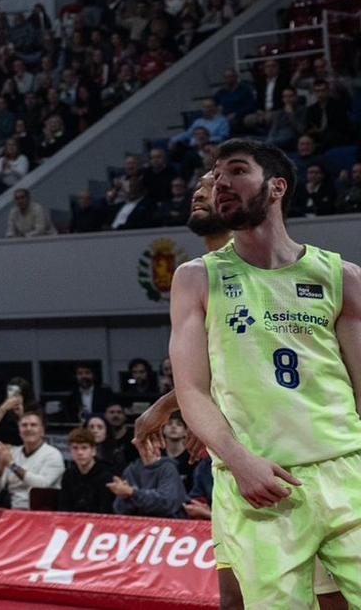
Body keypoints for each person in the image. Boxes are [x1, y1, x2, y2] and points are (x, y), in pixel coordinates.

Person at [136, 168, 345, 610]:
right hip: (234, 464)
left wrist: (171, 407)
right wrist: (203, 416)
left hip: (299, 460)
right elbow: (218, 370)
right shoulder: (199, 276)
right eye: (198, 185)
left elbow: (268, 365)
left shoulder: (275, 269)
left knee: (328, 598)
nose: (200, 192)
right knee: (233, 596)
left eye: (213, 185)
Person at [0, 411, 63, 509]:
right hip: (14, 509)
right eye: (24, 425)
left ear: (42, 431)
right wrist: (0, 468)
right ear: (19, 431)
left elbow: (42, 485)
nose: (28, 429)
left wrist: (12, 465)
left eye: (33, 425)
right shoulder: (13, 453)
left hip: (41, 511)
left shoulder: (53, 454)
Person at [109, 431, 187, 518]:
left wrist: (132, 493)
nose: (148, 446)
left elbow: (166, 503)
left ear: (159, 444)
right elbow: (119, 508)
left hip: (166, 523)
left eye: (151, 441)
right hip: (137, 522)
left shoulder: (168, 468)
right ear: (137, 444)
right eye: (143, 442)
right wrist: (124, 496)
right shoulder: (131, 470)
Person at [60, 427, 116, 514]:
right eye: (75, 448)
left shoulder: (106, 475)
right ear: (70, 451)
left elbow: (106, 509)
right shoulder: (68, 475)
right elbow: (64, 506)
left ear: (93, 451)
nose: (80, 452)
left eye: (84, 448)